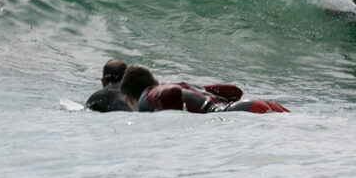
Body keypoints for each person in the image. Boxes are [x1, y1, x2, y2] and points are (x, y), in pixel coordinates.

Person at [119, 65, 289, 114]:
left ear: (129, 99)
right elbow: (233, 91)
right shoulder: (186, 87)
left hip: (249, 111)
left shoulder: (145, 97)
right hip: (259, 105)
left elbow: (171, 94)